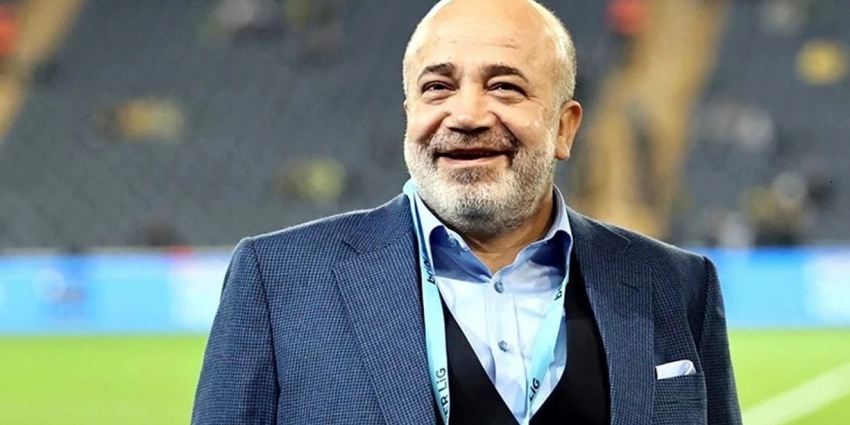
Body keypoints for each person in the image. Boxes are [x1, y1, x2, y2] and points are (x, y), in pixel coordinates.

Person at [191, 0, 742, 424]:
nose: (468, 114)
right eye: (438, 87)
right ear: (409, 114)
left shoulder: (678, 286)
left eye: (505, 87)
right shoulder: (277, 281)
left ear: (565, 128)